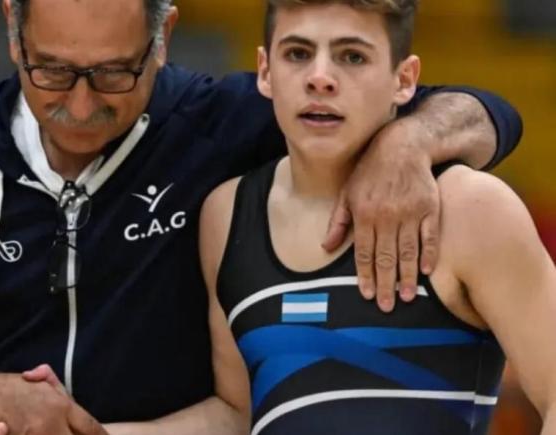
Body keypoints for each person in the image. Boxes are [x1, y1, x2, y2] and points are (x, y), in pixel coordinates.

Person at [0, 0, 523, 433]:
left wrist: (408, 143)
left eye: (116, 73)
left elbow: (483, 110)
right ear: (11, 29)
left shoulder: (227, 121)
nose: (81, 106)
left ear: (164, 35)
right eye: (52, 70)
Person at [200, 1, 556, 434]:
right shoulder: (225, 216)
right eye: (297, 53)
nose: (320, 78)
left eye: (353, 56)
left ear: (404, 80)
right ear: (265, 71)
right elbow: (236, 418)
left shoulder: (470, 207)